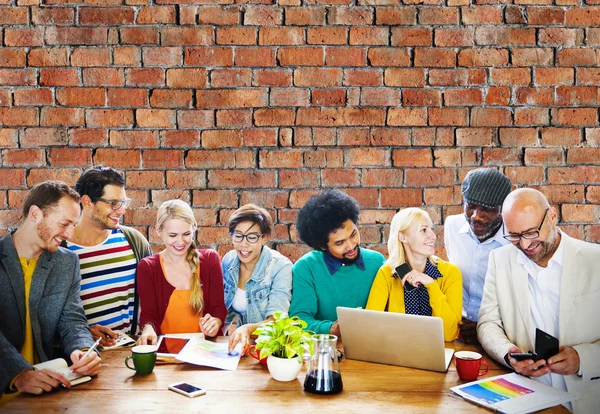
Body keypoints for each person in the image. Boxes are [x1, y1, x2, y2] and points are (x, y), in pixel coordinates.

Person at [478, 188, 600, 413]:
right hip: (527, 397)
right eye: (514, 236)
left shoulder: (596, 260)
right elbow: (488, 322)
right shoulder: (500, 260)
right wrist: (508, 352)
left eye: (531, 232)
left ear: (552, 216)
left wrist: (584, 358)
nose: (524, 245)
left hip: (589, 399)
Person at [1, 181, 101, 406]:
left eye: (74, 225)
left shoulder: (67, 262)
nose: (70, 234)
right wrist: (18, 374)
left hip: (48, 392)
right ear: (35, 214)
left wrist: (83, 349)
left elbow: (72, 319)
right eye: (65, 223)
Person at [64, 166, 151, 347]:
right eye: (113, 203)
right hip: (83, 357)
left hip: (130, 354)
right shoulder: (62, 249)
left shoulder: (134, 241)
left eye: (123, 202)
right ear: (87, 202)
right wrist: (84, 334)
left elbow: (153, 297)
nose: (121, 210)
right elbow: (47, 316)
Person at [289, 189, 385, 335]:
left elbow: (400, 270)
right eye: (340, 243)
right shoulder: (306, 268)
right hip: (325, 349)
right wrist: (331, 328)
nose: (351, 246)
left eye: (353, 234)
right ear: (322, 246)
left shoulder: (377, 260)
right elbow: (299, 320)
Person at [136, 200, 227, 345]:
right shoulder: (148, 267)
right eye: (173, 235)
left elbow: (218, 308)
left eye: (186, 234)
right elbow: (149, 314)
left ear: (194, 228)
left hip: (206, 351)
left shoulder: (210, 259)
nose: (180, 242)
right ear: (158, 231)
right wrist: (148, 329)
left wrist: (215, 323)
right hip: (165, 354)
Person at [367, 208, 462, 342]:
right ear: (403, 237)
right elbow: (370, 326)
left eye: (431, 229)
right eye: (423, 230)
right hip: (398, 351)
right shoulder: (387, 273)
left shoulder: (450, 273)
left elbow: (449, 334)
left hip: (437, 353)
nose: (433, 236)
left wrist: (431, 285)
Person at [444, 168, 512, 343]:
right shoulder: (452, 226)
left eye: (486, 209)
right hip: (457, 332)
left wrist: (485, 328)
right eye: (471, 206)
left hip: (500, 335)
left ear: (502, 208)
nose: (476, 217)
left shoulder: (515, 240)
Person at [222, 204, 292, 354]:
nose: (243, 244)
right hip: (243, 350)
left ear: (264, 238)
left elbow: (277, 322)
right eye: (238, 235)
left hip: (271, 350)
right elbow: (224, 314)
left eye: (252, 237)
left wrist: (248, 328)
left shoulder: (280, 267)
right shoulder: (229, 261)